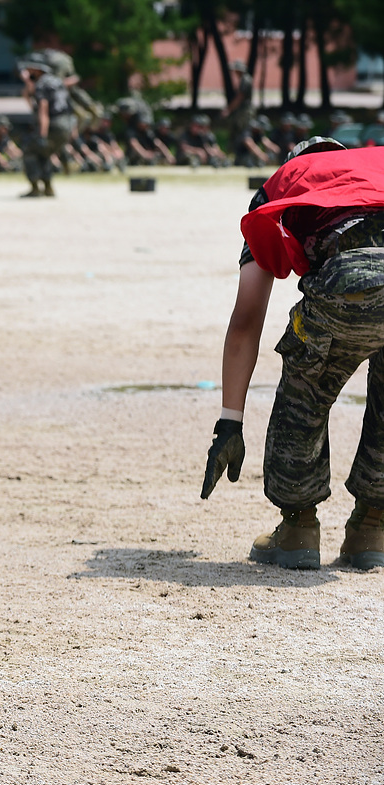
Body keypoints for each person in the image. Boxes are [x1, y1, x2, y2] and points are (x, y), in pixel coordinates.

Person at [201, 138, 384, 572]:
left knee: (305, 390)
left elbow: (246, 318)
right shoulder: (376, 163)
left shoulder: (282, 187)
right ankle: (372, 527)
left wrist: (230, 423)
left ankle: (298, 528)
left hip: (344, 285)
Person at [18, 56, 75, 197]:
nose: (26, 72)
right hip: (66, 123)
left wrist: (42, 135)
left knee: (30, 150)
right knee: (44, 154)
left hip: (53, 124)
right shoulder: (57, 82)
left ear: (37, 69)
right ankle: (48, 187)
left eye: (29, 69)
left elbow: (43, 111)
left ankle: (35, 187)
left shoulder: (42, 84)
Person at [222, 60, 255, 164]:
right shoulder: (246, 79)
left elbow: (240, 97)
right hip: (244, 112)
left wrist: (228, 109)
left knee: (241, 134)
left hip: (243, 113)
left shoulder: (245, 80)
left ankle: (253, 157)